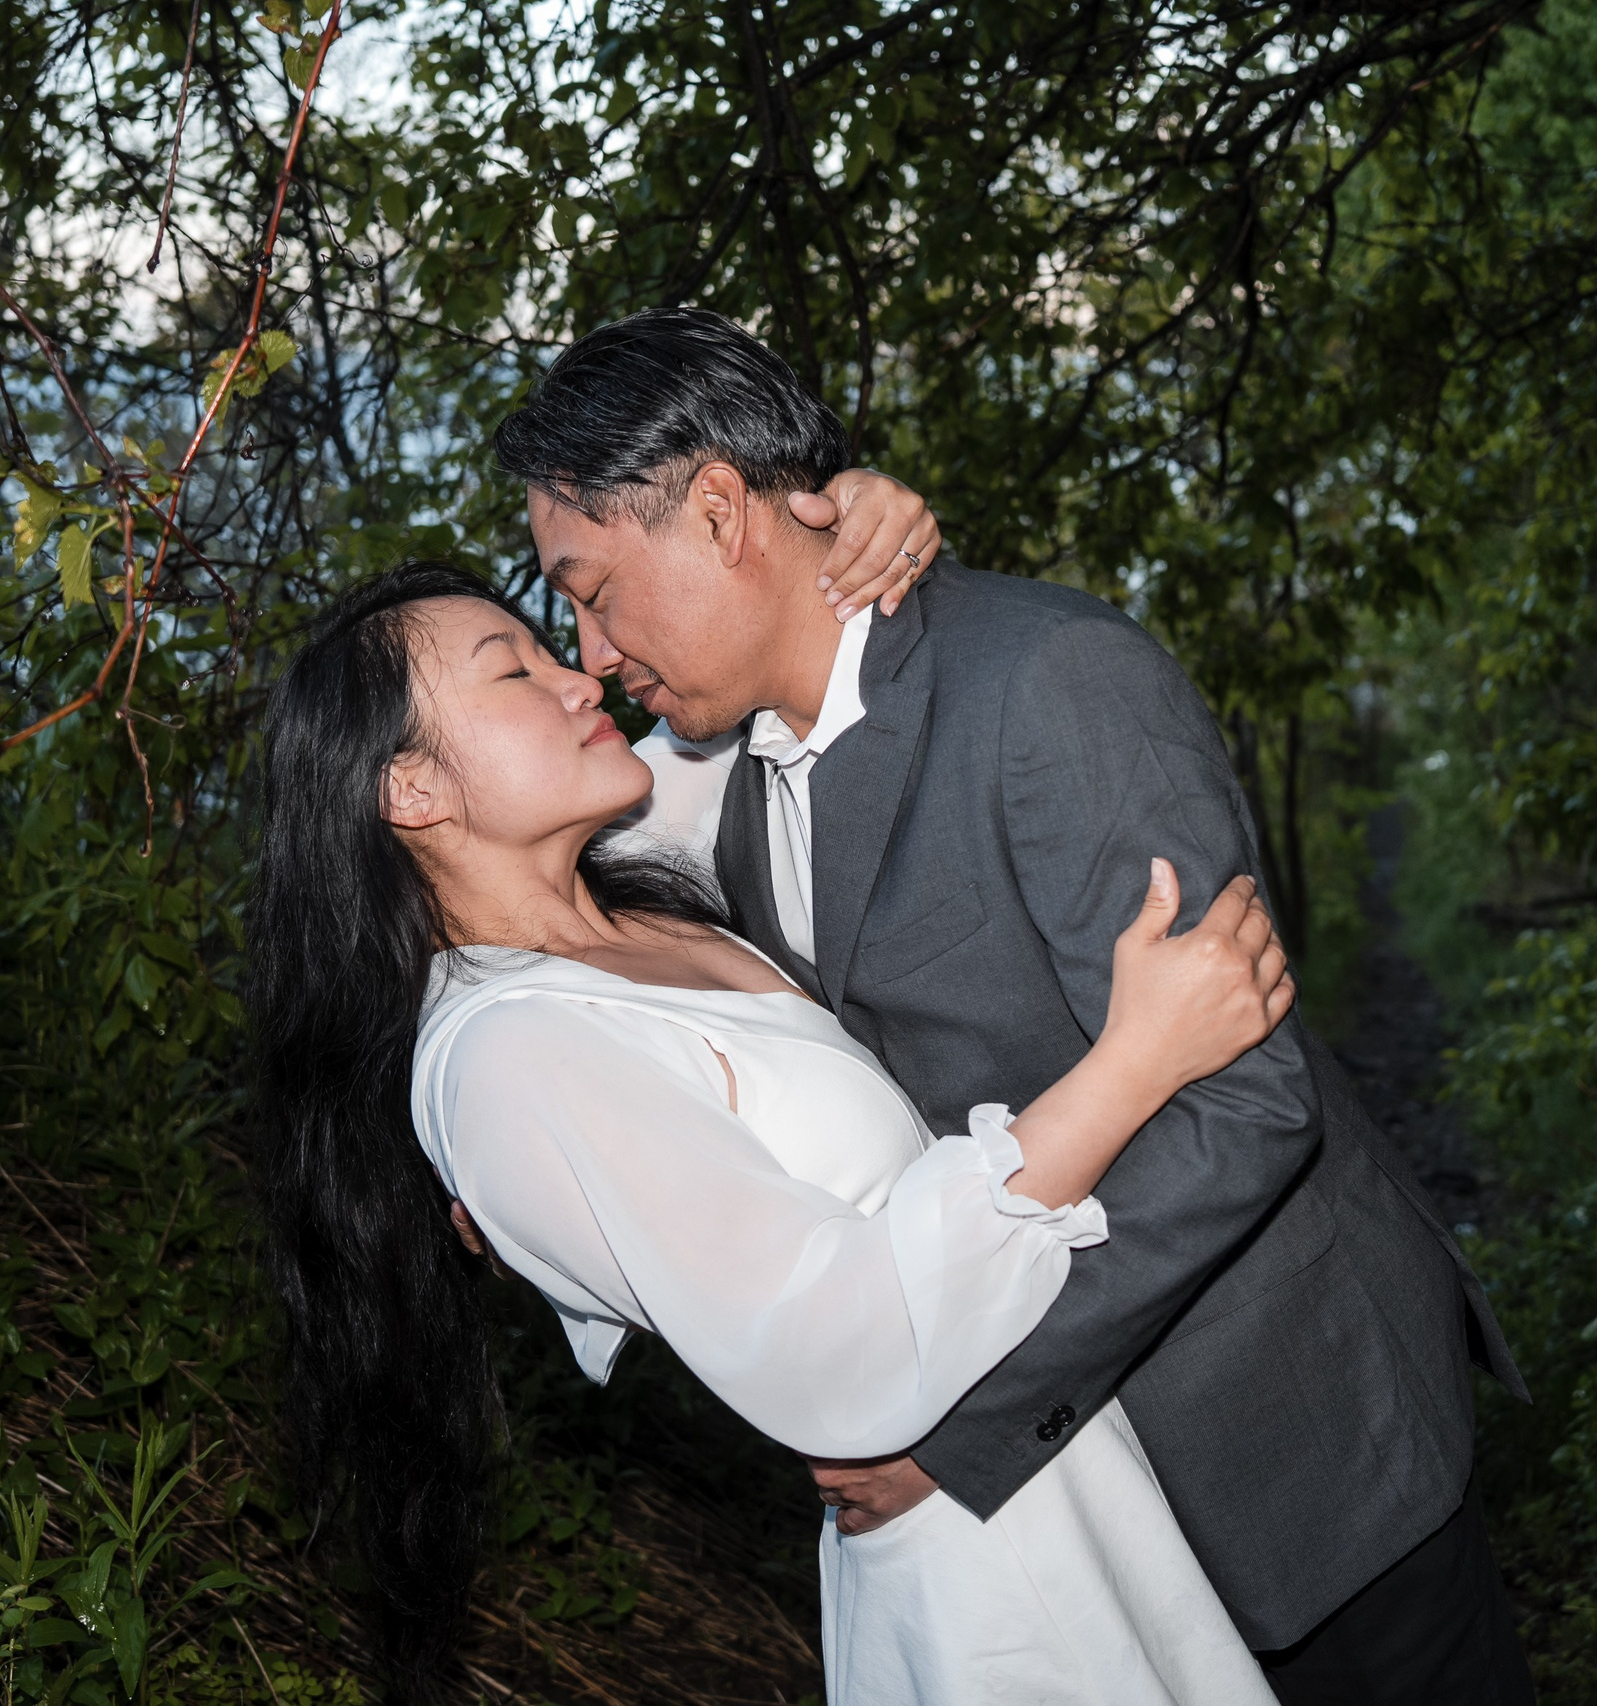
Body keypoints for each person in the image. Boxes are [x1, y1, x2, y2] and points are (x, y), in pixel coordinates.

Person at [492, 306, 1536, 1703]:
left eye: (595, 589)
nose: (593, 647)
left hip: (1298, 1447)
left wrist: (959, 1429)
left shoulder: (1049, 682)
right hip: (1099, 1523)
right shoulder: (718, 791)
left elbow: (1248, 1100)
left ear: (724, 513)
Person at [248, 555, 1299, 1698]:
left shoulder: (628, 889)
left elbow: (768, 664)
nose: (581, 677)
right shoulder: (507, 1054)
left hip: (1061, 1471)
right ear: (409, 791)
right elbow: (838, 1341)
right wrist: (1138, 1060)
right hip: (987, 1578)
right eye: (516, 671)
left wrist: (849, 519)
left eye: (556, 648)